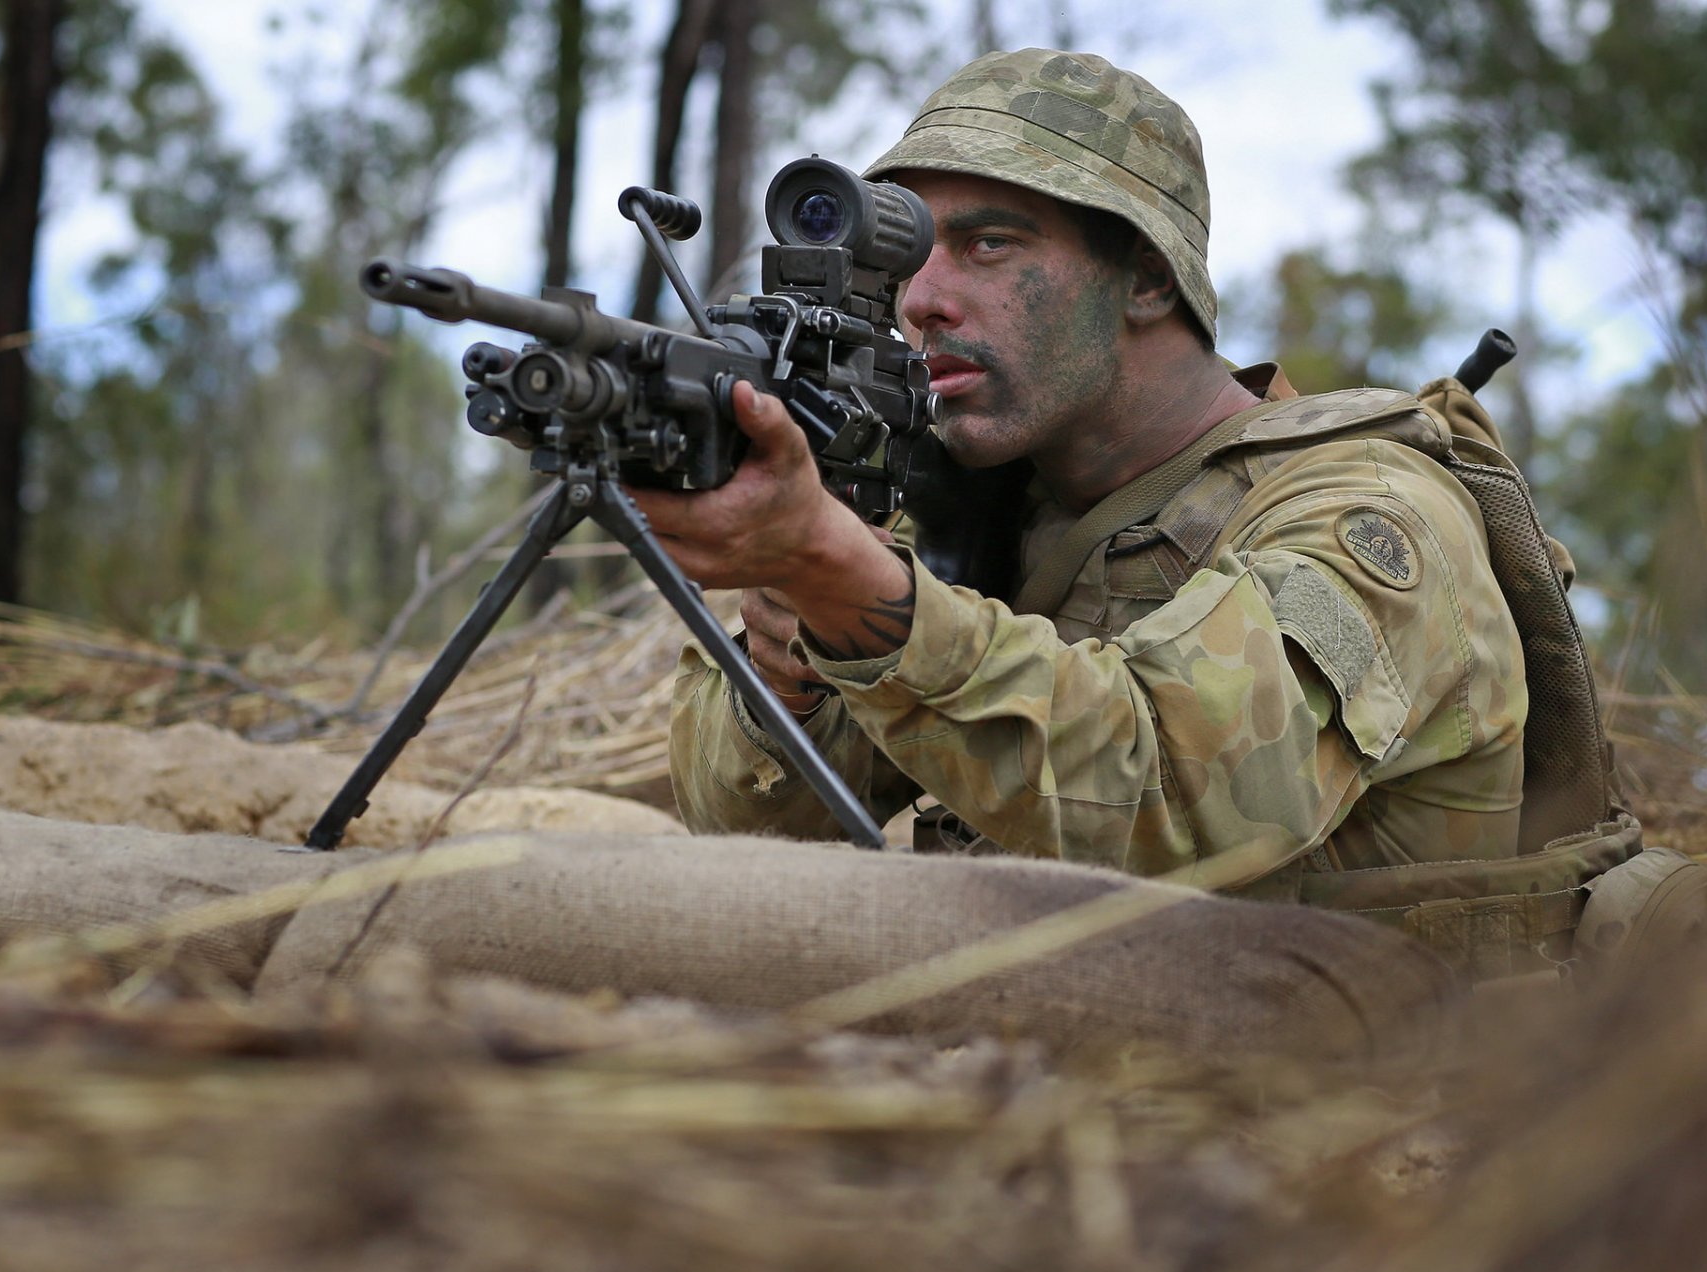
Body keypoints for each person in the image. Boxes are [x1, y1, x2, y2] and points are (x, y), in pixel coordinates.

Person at [627, 48, 1546, 915]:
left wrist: (849, 582)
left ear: (1146, 280)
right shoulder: (978, 508)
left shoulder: (1367, 509)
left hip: (1362, 1031)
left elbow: (1178, 802)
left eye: (989, 245)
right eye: (912, 258)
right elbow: (755, 837)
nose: (923, 300)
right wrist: (793, 653)